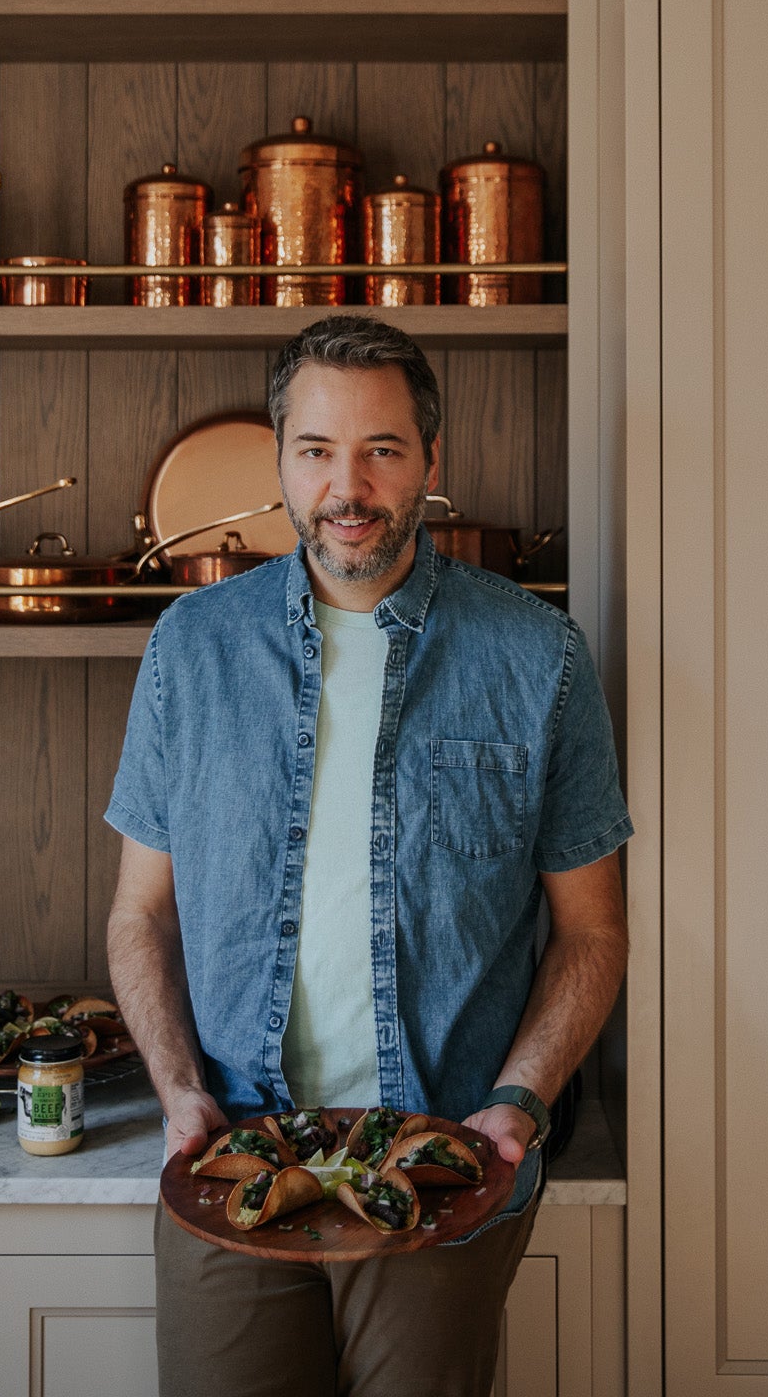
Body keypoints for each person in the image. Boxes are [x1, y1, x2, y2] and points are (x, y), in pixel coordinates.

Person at [105, 312, 631, 1397]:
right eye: (317, 450)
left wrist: (517, 1106)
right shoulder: (190, 651)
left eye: (382, 449)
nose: (349, 485)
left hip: (446, 1153)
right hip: (232, 1149)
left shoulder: (540, 657)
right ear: (281, 461)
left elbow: (592, 929)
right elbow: (139, 915)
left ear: (430, 461)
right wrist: (179, 1095)